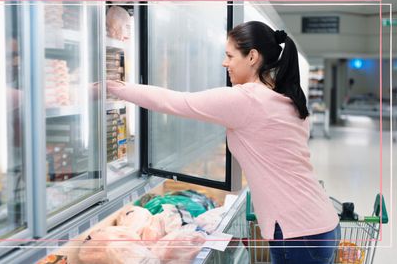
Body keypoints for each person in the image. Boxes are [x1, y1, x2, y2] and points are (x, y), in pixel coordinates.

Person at [107, 21, 340, 264]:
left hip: (297, 233)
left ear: (252, 57)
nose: (224, 63)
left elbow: (175, 102)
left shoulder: (247, 100)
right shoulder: (287, 100)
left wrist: (114, 87)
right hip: (321, 224)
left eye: (229, 55)